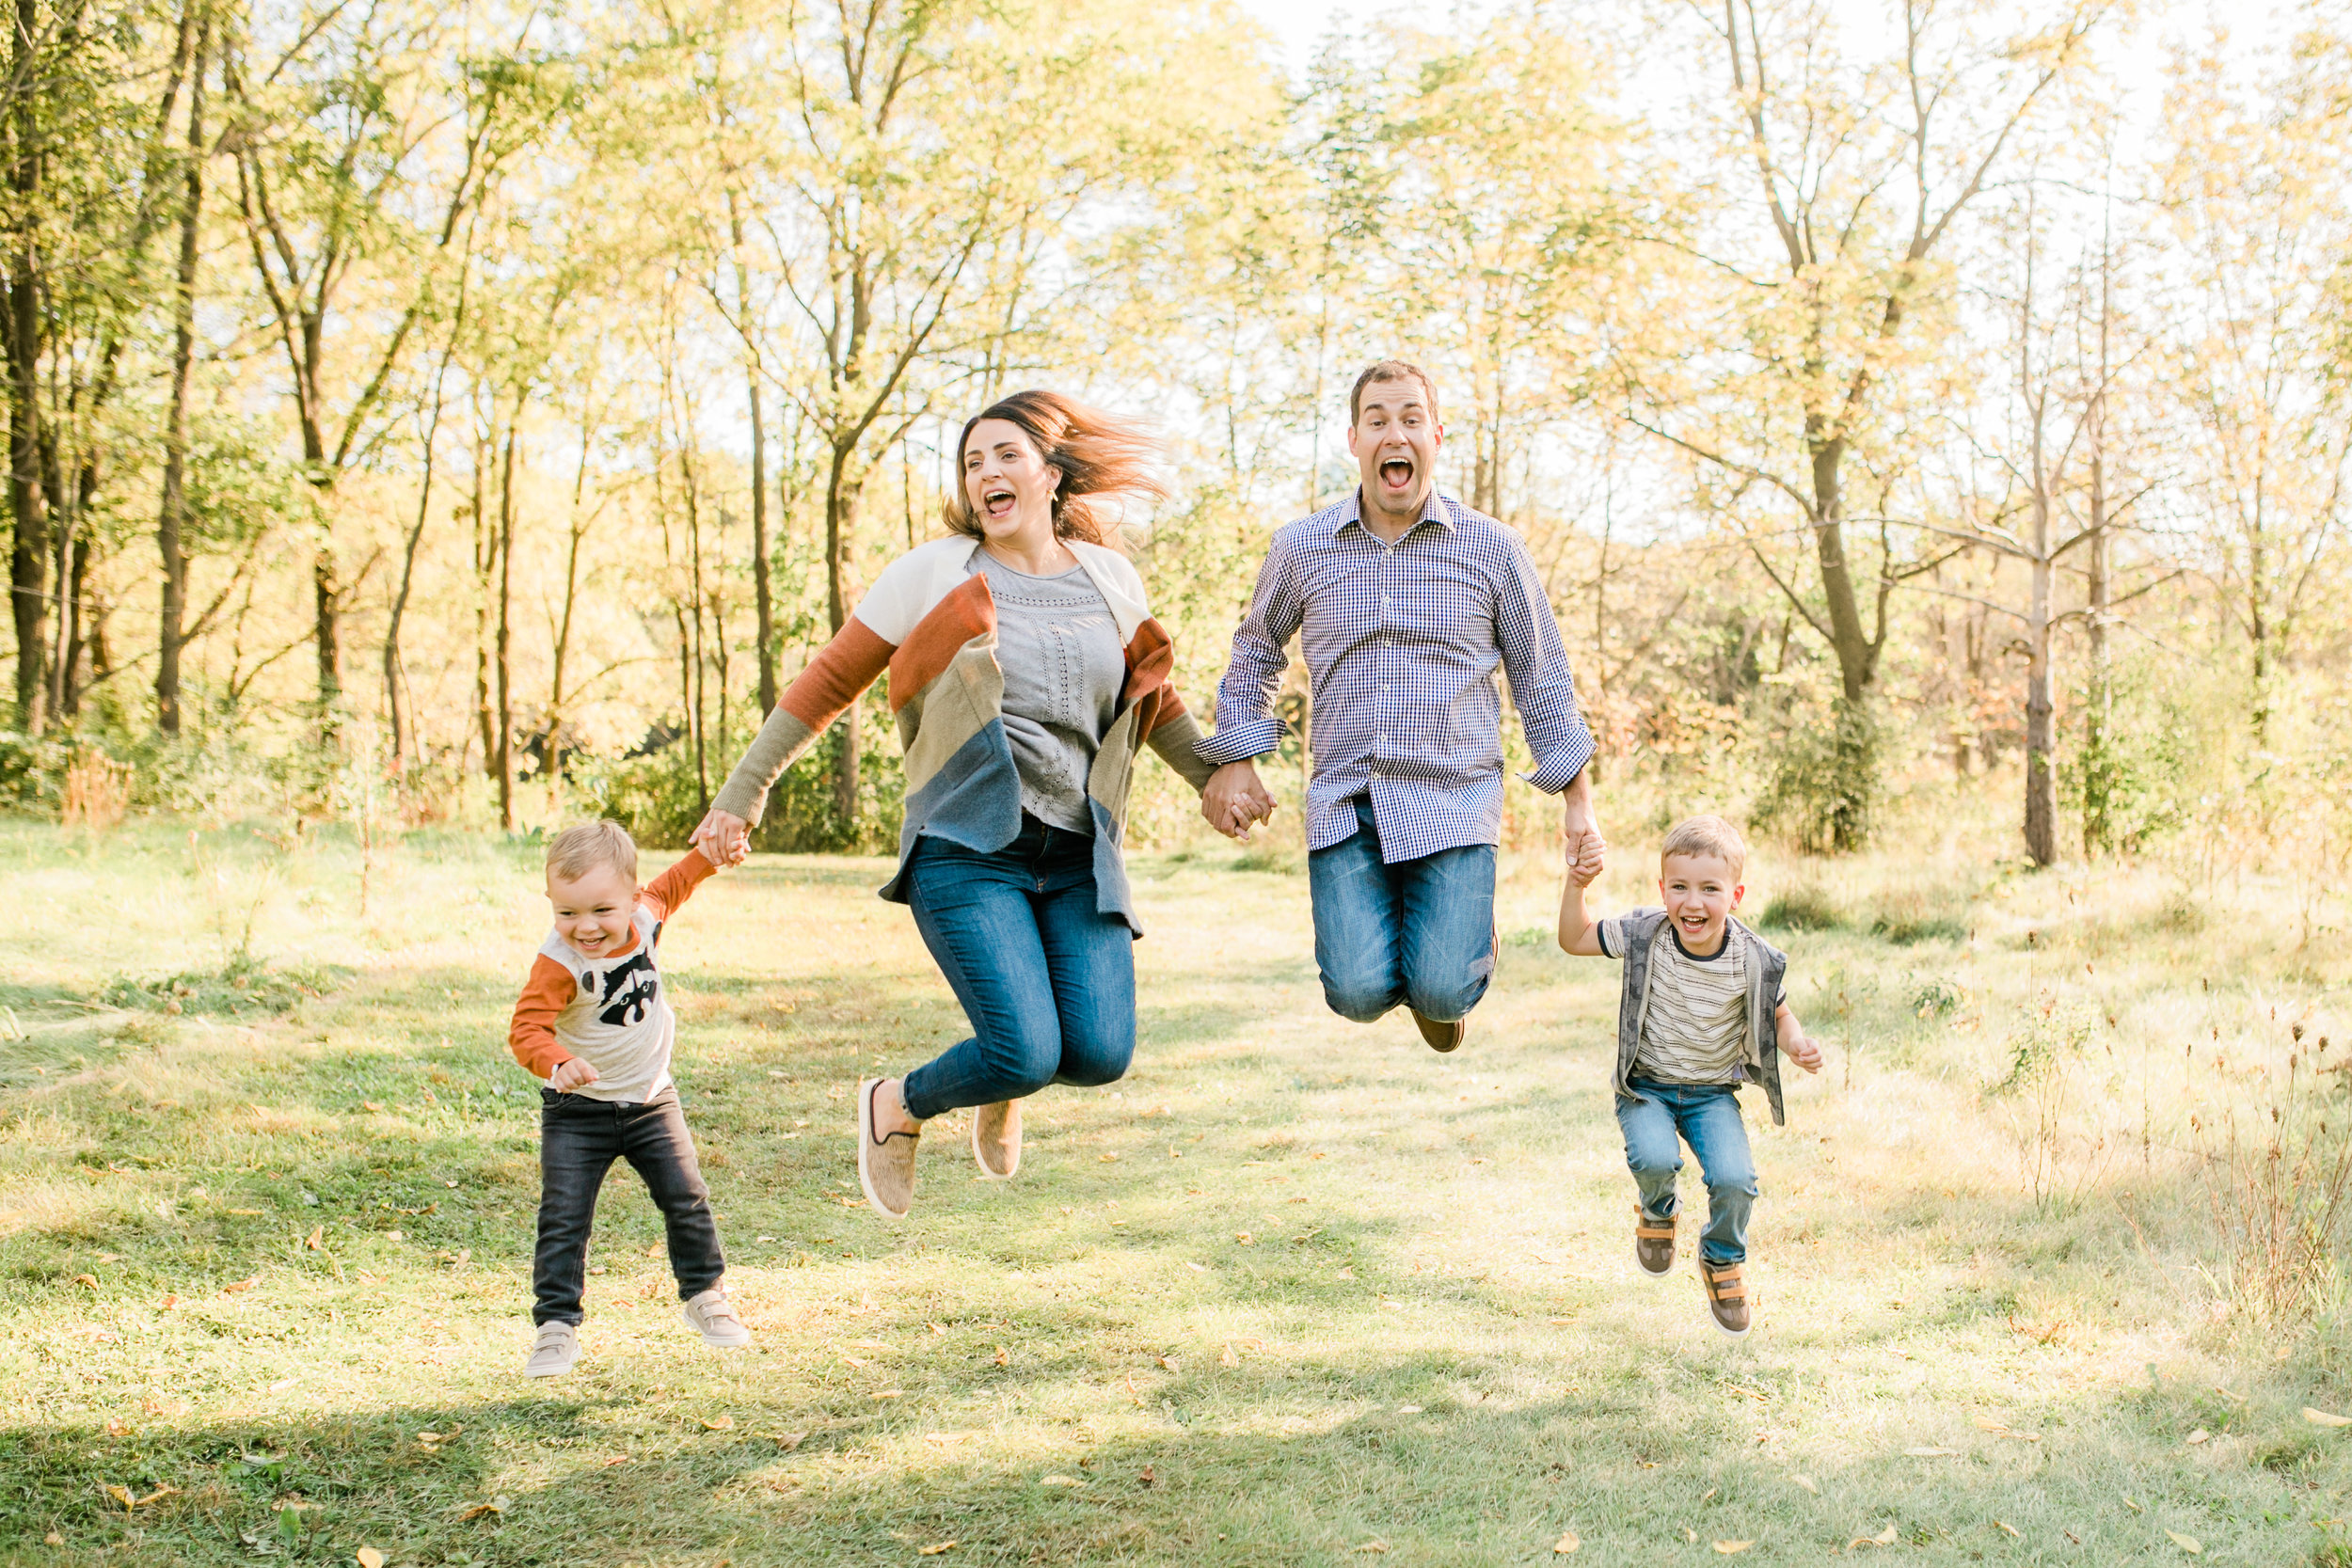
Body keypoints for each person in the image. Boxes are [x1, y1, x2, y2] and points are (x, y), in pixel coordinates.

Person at [689, 391, 1216, 1222]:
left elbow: (1156, 694)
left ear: (1051, 473)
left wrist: (1216, 775)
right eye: (972, 462)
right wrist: (741, 792)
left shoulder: (1111, 578)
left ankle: (1006, 1082)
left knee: (1101, 1052)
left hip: (1079, 856)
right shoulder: (937, 571)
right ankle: (896, 1105)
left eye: (1005, 454)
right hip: (967, 847)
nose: (986, 474)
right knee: (1023, 1046)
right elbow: (828, 682)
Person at [1196, 359, 1602, 1052]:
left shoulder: (1494, 550)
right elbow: (1256, 649)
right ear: (1354, 439)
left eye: (1412, 418)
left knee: (1443, 984)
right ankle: (1432, 956)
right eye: (1378, 419)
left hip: (1456, 800)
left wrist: (1578, 804)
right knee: (1354, 992)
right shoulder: (1301, 547)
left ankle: (1457, 958)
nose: (1396, 432)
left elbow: (1543, 677)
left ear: (1437, 436)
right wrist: (1237, 756)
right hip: (1347, 800)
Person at [1556, 814, 1822, 1337]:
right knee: (1655, 1159)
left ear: (1735, 894)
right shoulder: (1645, 935)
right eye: (1679, 887)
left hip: (1710, 1095)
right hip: (1647, 1086)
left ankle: (1722, 1258)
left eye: (1709, 889)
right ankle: (1658, 1211)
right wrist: (1576, 885)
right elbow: (1575, 938)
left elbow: (1778, 1013)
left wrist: (1796, 1045)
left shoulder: (1752, 959)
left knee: (1736, 1180)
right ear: (1662, 888)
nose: (1692, 903)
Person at [506, 820, 748, 1377]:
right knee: (564, 1218)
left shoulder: (647, 912)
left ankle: (705, 1295)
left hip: (650, 1099)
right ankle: (556, 1327)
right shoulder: (559, 963)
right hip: (578, 1114)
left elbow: (685, 876)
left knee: (687, 1197)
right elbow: (526, 1030)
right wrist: (558, 1062)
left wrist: (718, 850)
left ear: (631, 896)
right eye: (567, 913)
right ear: (551, 903)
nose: (584, 928)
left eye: (600, 911)